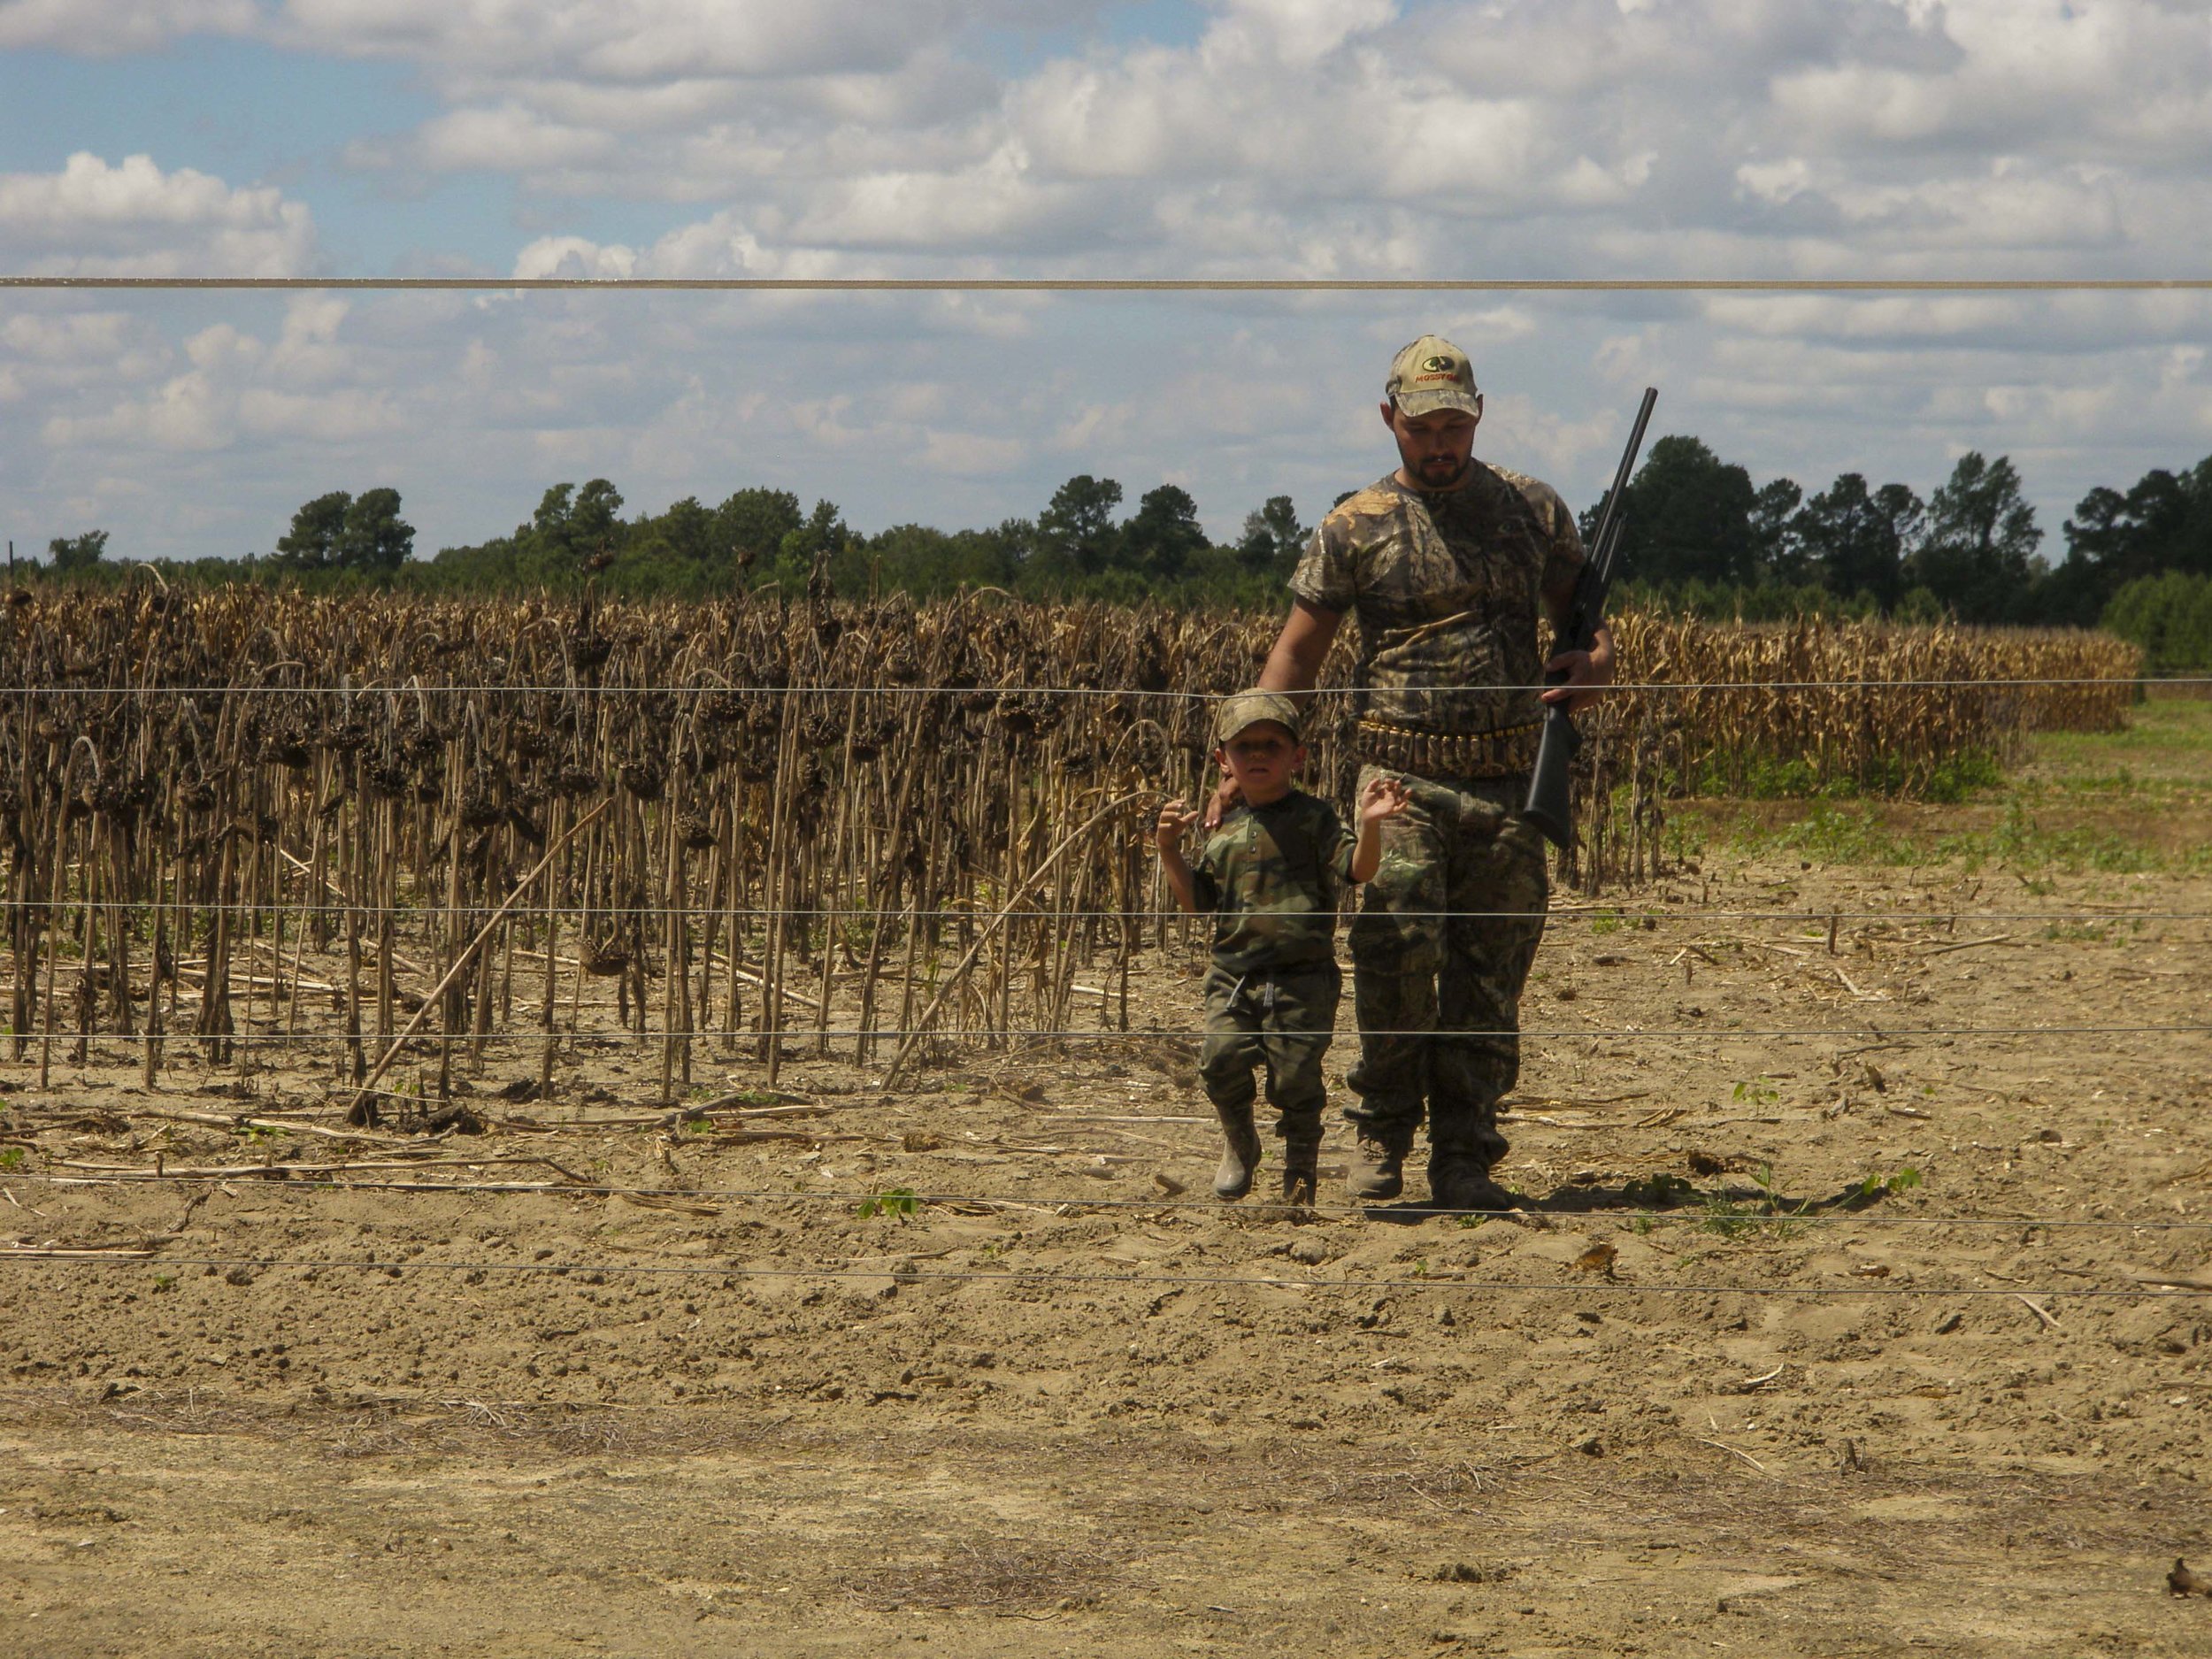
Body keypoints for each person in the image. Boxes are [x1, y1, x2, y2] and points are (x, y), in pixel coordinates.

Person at [1248, 334, 1616, 1212]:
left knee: (1489, 980)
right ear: (1390, 421)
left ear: (1478, 415)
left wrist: (1599, 661)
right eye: (1423, 429)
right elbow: (1295, 655)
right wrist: (1250, 761)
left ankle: (1465, 1157)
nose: (1441, 443)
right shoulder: (1355, 526)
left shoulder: (1532, 509)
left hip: (1512, 782)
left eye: (1455, 425)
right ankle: (1381, 1141)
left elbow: (1585, 621)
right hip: (1398, 784)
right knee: (1395, 962)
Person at [1156, 691, 1409, 1206]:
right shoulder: (1220, 825)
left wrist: (1370, 825)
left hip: (1303, 976)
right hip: (1233, 973)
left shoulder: (1314, 819)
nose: (1257, 754)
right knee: (1220, 1059)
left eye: (1272, 744)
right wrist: (1167, 851)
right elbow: (1196, 903)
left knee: (1296, 1078)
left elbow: (1358, 871)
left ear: (1297, 756)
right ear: (1222, 760)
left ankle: (1300, 1174)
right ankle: (1240, 1142)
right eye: (1243, 745)